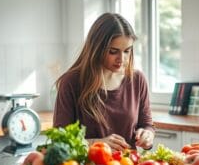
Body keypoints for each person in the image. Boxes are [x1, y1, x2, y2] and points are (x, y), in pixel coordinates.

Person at [53, 12, 154, 151]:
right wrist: (97, 144)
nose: (121, 59)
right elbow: (60, 140)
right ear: (97, 48)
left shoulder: (137, 80)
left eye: (127, 51)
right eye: (113, 51)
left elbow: (147, 124)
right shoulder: (71, 82)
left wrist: (147, 135)